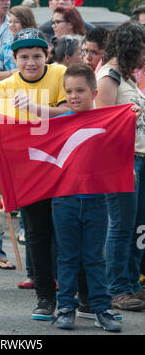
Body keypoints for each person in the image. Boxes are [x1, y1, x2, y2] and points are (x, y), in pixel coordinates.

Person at [0, 28, 70, 321]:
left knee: (69, 233)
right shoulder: (3, 88)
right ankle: (45, 297)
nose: (31, 62)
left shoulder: (60, 75)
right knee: (38, 235)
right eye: (24, 57)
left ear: (47, 55)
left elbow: (78, 109)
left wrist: (38, 109)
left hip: (62, 169)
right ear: (14, 58)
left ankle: (78, 294)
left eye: (36, 56)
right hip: (29, 175)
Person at [51, 64, 122, 332]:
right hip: (64, 201)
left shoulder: (106, 121)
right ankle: (66, 308)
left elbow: (119, 149)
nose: (73, 96)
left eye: (80, 90)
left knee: (95, 258)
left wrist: (128, 117)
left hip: (96, 202)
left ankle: (101, 309)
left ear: (93, 93)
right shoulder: (58, 125)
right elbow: (29, 149)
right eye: (68, 91)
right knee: (67, 258)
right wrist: (0, 155)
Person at [95, 21, 145, 311]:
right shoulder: (108, 78)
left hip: (137, 158)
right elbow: (103, 126)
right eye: (140, 50)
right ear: (129, 47)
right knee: (121, 227)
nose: (143, 57)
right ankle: (117, 289)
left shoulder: (126, 77)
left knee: (136, 226)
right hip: (121, 162)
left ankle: (131, 283)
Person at [0, 5, 38, 81]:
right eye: (10, 21)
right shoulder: (6, 47)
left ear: (27, 22)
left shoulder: (39, 45)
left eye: (16, 21)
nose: (11, 25)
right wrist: (13, 73)